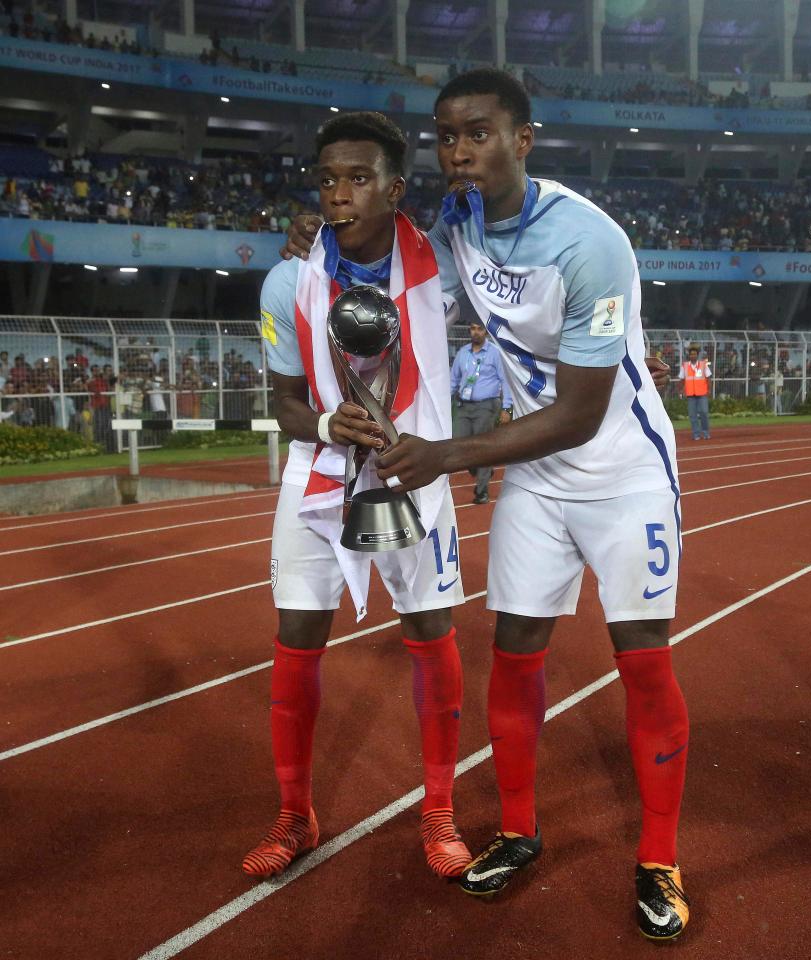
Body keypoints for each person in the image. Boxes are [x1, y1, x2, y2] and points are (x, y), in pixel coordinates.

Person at [281, 76, 683, 939]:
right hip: (535, 474)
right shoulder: (457, 223)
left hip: (619, 469)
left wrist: (446, 456)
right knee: (515, 652)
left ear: (523, 139)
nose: (460, 152)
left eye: (480, 134)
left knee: (642, 659)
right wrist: (322, 235)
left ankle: (658, 859)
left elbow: (578, 412)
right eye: (447, 137)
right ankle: (520, 831)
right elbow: (381, 226)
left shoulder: (589, 242)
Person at [243, 111, 471, 885]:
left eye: (359, 178)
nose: (340, 194)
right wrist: (329, 425)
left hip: (415, 468)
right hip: (320, 472)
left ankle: (439, 809)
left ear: (395, 188)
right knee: (296, 640)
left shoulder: (442, 263)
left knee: (432, 632)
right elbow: (282, 403)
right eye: (329, 179)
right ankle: (294, 812)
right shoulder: (289, 278)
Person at [451, 319, 512, 503]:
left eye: (479, 329)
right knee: (459, 445)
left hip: (486, 406)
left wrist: (507, 406)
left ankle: (481, 491)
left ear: (485, 332)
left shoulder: (495, 354)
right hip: (463, 406)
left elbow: (505, 380)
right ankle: (480, 468)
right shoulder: (463, 353)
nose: (475, 332)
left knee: (481, 448)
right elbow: (453, 380)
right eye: (472, 328)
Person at [679, 344, 711, 439]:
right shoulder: (684, 366)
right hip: (690, 394)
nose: (693, 356)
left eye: (694, 354)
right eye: (691, 354)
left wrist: (709, 390)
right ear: (689, 355)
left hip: (702, 393)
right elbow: (681, 379)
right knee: (692, 416)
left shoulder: (703, 365)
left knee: (704, 413)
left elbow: (709, 378)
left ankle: (705, 432)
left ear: (697, 355)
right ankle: (696, 434)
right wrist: (680, 391)